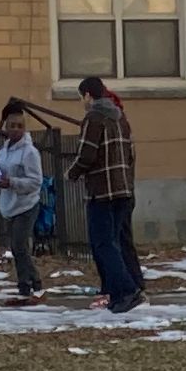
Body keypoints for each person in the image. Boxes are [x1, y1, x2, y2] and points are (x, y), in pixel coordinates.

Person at [67, 77, 145, 315]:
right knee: (116, 243)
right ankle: (117, 294)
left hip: (102, 192)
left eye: (82, 97)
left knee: (103, 244)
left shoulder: (94, 118)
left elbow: (87, 154)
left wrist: (71, 173)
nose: (82, 102)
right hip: (123, 190)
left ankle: (127, 291)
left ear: (88, 96)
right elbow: (130, 155)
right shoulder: (120, 118)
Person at [0, 104, 45, 306]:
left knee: (20, 246)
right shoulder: (3, 151)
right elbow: (1, 172)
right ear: (6, 127)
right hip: (9, 204)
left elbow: (36, 182)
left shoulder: (30, 152)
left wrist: (13, 183)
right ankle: (26, 287)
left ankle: (34, 285)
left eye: (19, 126)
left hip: (27, 205)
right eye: (12, 125)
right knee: (16, 249)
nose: (15, 129)